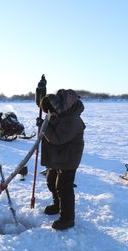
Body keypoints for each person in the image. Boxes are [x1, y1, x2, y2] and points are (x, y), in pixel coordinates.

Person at [39, 89, 85, 230]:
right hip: (59, 155)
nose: (50, 113)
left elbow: (57, 138)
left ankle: (67, 218)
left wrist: (44, 127)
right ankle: (57, 205)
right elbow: (55, 124)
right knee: (51, 181)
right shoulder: (63, 113)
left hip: (69, 158)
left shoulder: (73, 119)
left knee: (64, 187)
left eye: (51, 111)